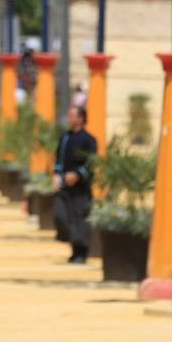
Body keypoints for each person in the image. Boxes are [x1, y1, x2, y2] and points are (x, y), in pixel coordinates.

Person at [53, 105, 98, 264]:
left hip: (81, 188)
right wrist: (56, 175)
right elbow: (58, 159)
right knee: (62, 217)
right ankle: (73, 246)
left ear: (81, 118)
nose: (69, 118)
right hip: (64, 186)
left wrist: (78, 174)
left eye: (72, 115)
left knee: (80, 220)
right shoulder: (65, 137)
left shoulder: (89, 139)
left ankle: (81, 252)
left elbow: (92, 162)